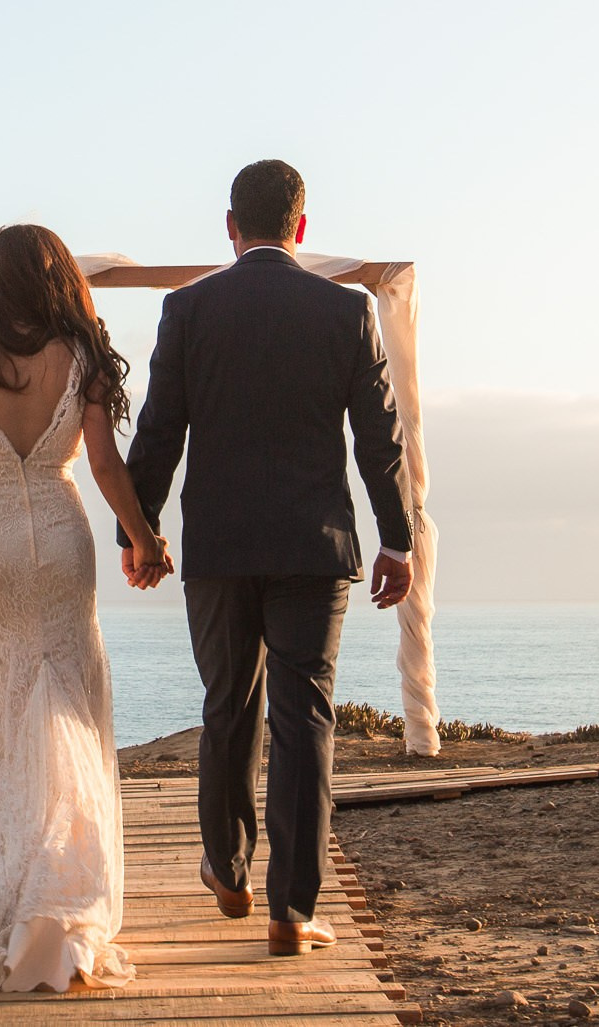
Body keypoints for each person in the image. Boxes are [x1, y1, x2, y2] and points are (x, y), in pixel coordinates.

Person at [123, 159, 415, 953]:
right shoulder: (346, 311)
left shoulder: (187, 310)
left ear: (230, 226)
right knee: (305, 717)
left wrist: (139, 534)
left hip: (218, 547)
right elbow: (379, 438)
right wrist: (397, 537)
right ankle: (293, 907)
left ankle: (226, 866)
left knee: (228, 702)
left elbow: (158, 434)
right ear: (301, 227)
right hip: (314, 548)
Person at [0, 223, 173, 993]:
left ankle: (6, 888)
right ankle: (58, 897)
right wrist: (145, 538)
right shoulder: (81, 356)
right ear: (54, 277)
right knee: (68, 706)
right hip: (60, 542)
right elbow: (100, 461)